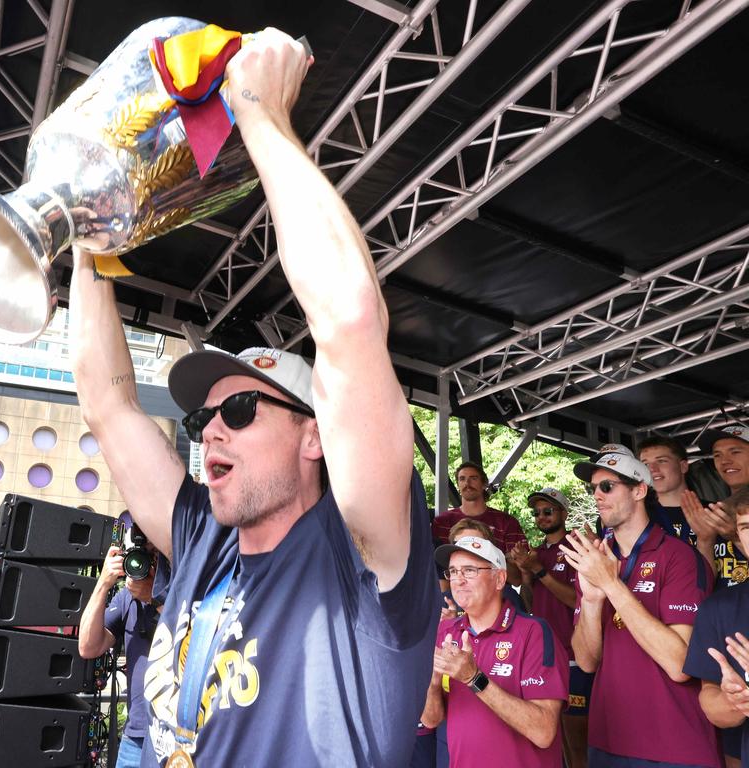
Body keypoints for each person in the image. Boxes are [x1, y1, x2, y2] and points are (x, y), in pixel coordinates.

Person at [69, 27, 438, 768]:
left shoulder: (360, 553)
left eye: (240, 410)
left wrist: (261, 116)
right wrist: (87, 243)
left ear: (314, 436)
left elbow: (350, 319)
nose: (210, 433)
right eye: (206, 417)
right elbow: (108, 404)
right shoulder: (204, 539)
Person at [562, 451, 720, 767]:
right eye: (592, 488)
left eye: (607, 486)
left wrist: (612, 586)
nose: (597, 495)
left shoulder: (680, 557)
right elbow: (587, 661)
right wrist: (592, 600)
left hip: (675, 746)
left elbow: (679, 664)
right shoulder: (597, 559)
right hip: (609, 740)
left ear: (639, 490)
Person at [422, 536, 568, 767]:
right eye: (453, 571)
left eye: (469, 570)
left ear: (499, 579)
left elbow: (543, 732)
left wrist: (474, 678)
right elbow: (431, 719)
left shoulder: (534, 632)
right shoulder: (445, 631)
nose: (458, 580)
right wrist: (432, 683)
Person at [509, 487, 590, 768]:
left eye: (548, 511)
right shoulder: (537, 552)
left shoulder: (576, 547)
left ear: (564, 514)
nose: (541, 517)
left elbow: (575, 599)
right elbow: (530, 605)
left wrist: (540, 571)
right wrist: (527, 574)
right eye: (537, 512)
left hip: (575, 654)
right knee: (554, 737)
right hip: (545, 656)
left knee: (578, 738)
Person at [79, 540, 161, 767]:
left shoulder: (187, 589)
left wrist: (155, 599)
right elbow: (87, 646)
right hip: (136, 737)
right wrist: (103, 583)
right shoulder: (128, 597)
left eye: (155, 553)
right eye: (144, 553)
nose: (148, 561)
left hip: (177, 736)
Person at [684, 485, 749, 768]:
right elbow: (712, 704)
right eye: (746, 527)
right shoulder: (718, 609)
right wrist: (735, 701)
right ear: (737, 541)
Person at [431, 462, 527, 584]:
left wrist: (486, 553)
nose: (467, 483)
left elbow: (517, 579)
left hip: (497, 594)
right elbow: (436, 570)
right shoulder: (441, 522)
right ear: (458, 484)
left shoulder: (507, 522)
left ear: (484, 483)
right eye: (462, 479)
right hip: (453, 593)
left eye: (473, 478)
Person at [684, 425, 749, 590]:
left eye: (735, 452)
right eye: (717, 455)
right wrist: (705, 540)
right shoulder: (713, 512)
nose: (725, 461)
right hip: (722, 612)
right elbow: (701, 588)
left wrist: (736, 537)